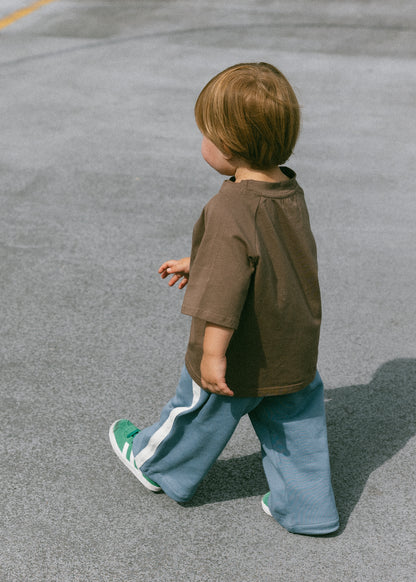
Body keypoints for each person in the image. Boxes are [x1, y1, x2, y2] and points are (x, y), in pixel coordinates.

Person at [109, 62, 339, 535]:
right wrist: (201, 260)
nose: (202, 143)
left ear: (228, 145)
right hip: (293, 346)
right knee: (297, 430)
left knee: (197, 412)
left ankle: (156, 463)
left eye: (204, 134)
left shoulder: (231, 204)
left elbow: (226, 287)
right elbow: (265, 253)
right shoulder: (287, 189)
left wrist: (213, 355)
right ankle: (309, 510)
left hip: (242, 352)